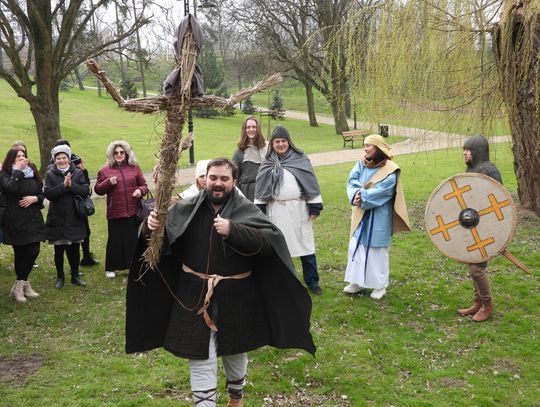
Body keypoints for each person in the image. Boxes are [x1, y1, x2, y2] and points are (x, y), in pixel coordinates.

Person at [126, 158, 315, 407]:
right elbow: (161, 240)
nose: (217, 183)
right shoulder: (187, 207)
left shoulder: (245, 210)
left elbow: (271, 243)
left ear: (233, 182)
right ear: (204, 179)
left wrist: (234, 230)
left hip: (237, 295)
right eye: (212, 177)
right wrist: (149, 228)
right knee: (200, 356)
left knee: (235, 351)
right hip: (193, 295)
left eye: (224, 179)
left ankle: (236, 397)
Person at [254, 125, 323, 295]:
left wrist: (314, 206)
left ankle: (312, 282)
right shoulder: (267, 163)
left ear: (289, 142)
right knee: (278, 248)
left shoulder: (301, 159)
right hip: (276, 211)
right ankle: (283, 281)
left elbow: (310, 182)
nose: (280, 144)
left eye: (283, 141)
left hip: (298, 210)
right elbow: (261, 189)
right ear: (273, 144)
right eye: (277, 141)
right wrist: (260, 211)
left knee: (306, 247)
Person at [343, 134, 410, 300]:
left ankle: (380, 286)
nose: (365, 149)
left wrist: (363, 196)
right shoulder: (361, 164)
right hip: (360, 214)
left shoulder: (390, 169)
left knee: (377, 252)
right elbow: (352, 181)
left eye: (368, 146)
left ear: (378, 148)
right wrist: (356, 194)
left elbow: (385, 190)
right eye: (364, 145)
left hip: (379, 216)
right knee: (357, 248)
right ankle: (356, 282)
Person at [457, 135, 503, 322]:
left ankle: (487, 304)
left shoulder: (490, 171)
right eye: (464, 150)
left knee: (477, 268)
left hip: (487, 226)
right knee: (472, 263)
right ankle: (478, 303)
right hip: (473, 225)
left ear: (477, 152)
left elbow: (497, 202)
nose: (464, 153)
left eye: (468, 150)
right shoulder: (473, 169)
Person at [94, 140, 148, 279]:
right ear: (112, 154)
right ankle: (111, 268)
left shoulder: (134, 167)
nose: (119, 154)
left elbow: (144, 185)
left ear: (126, 153)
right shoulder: (104, 170)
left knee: (132, 240)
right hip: (115, 211)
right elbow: (98, 190)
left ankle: (132, 266)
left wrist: (139, 191)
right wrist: (108, 183)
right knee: (115, 241)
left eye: (121, 152)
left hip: (132, 210)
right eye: (116, 152)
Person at [0, 146, 45, 303]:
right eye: (17, 156)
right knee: (21, 252)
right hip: (15, 219)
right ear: (11, 159)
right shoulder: (5, 174)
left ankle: (20, 284)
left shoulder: (32, 171)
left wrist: (35, 199)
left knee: (34, 250)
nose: (21, 157)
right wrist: (18, 171)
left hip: (33, 217)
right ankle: (23, 285)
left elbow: (41, 192)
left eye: (23, 155)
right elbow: (10, 189)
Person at [44, 145, 90, 288]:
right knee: (59, 249)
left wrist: (72, 186)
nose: (61, 160)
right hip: (57, 217)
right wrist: (63, 186)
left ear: (69, 159)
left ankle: (75, 276)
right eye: (58, 158)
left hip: (74, 216)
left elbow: (85, 191)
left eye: (64, 157)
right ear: (54, 159)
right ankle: (60, 277)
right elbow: (48, 194)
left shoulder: (77, 172)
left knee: (74, 249)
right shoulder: (50, 174)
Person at [232, 116, 268, 201]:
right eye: (248, 127)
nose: (251, 129)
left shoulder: (267, 148)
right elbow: (234, 178)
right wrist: (240, 198)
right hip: (247, 194)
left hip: (266, 191)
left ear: (258, 128)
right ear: (244, 130)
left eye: (254, 127)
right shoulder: (239, 152)